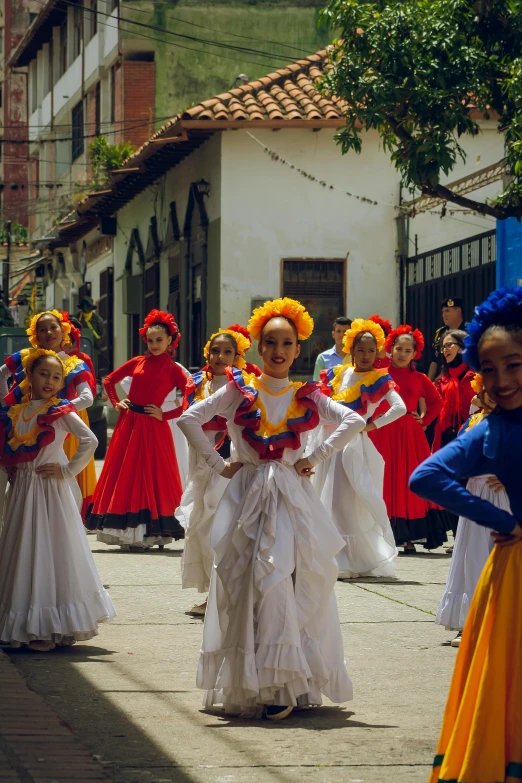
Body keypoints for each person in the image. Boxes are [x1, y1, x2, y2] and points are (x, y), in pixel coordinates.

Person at [178, 297, 366, 720]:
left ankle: (287, 681)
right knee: (247, 580)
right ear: (258, 347)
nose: (278, 351)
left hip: (289, 496)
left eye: (287, 342)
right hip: (246, 493)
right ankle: (259, 679)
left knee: (286, 577)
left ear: (299, 348)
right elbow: (189, 418)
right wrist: (219, 463)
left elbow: (353, 421)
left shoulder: (308, 393)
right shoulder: (238, 388)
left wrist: (314, 459)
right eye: (269, 342)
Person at [410, 286, 522, 783]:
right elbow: (426, 478)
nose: (502, 380)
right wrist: (503, 521)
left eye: (514, 365)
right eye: (491, 368)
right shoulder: (492, 431)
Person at [0, 350, 115, 651]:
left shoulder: (61, 411)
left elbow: (89, 440)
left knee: (50, 551)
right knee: (23, 550)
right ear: (28, 376)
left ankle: (47, 627)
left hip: (49, 491)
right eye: (43, 374)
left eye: (56, 377)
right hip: (23, 492)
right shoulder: (16, 412)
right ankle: (29, 623)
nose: (50, 381)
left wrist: (67, 471)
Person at [86, 310, 187, 549]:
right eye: (150, 340)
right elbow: (109, 380)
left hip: (154, 425)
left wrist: (166, 414)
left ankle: (151, 533)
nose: (154, 345)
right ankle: (127, 533)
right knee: (127, 474)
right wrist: (115, 402)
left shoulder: (174, 370)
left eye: (159, 340)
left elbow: (189, 399)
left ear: (170, 340)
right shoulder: (138, 362)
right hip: (129, 423)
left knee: (152, 476)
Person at [312, 318, 405, 579]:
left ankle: (350, 558)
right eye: (361, 349)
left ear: (378, 353)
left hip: (352, 445)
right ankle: (334, 554)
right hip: (328, 440)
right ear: (351, 349)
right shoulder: (338, 373)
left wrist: (371, 425)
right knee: (326, 497)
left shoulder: (379, 379)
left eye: (371, 350)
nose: (365, 355)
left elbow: (400, 408)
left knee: (346, 498)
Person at [178, 326, 253, 618]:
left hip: (225, 461)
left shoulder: (243, 385)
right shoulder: (197, 382)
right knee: (200, 524)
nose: (220, 357)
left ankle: (222, 596)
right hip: (200, 459)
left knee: (219, 526)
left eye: (228, 352)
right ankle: (214, 593)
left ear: (238, 356)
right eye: (216, 351)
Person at [435, 374, 510, 648]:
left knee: (501, 556)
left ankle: (503, 622)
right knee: (472, 557)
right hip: (476, 495)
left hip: (505, 498)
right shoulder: (473, 421)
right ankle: (471, 622)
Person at [0, 310, 94, 523]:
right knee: (17, 482)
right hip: (21, 425)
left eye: (53, 327)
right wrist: (9, 407)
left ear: (64, 331)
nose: (49, 332)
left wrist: (55, 412)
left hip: (54, 430)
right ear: (35, 334)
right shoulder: (26, 357)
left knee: (54, 482)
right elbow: (1, 374)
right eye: (42, 329)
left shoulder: (73, 363)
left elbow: (87, 398)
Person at [368, 324, 447, 553]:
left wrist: (423, 420)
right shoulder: (378, 374)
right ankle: (381, 533)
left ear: (415, 354)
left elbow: (438, 403)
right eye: (398, 348)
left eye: (407, 351)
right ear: (390, 349)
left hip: (410, 436)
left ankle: (409, 536)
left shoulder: (420, 378)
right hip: (381, 431)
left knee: (405, 481)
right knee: (383, 480)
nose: (402, 354)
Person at [62, 316, 98, 520]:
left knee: (76, 457)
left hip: (76, 411)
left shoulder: (81, 359)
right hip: (53, 414)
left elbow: (90, 389)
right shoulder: (44, 356)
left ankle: (81, 510)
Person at [428, 297, 466, 381]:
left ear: (458, 311)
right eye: (443, 312)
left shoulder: (469, 331)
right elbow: (434, 360)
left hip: (464, 378)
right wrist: (429, 383)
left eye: (447, 311)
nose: (444, 315)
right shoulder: (440, 333)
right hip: (442, 380)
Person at [313, 316, 352, 380]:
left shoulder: (357, 356)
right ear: (333, 334)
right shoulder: (322, 358)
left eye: (345, 332)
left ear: (350, 335)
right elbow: (317, 385)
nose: (341, 335)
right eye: (338, 331)